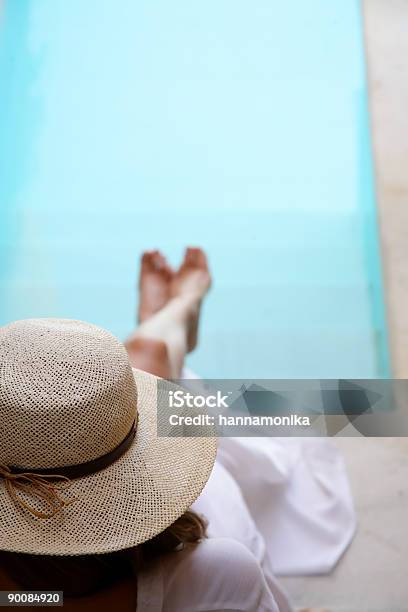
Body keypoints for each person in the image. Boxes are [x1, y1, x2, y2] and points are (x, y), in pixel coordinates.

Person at [0, 247, 355, 611]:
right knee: (160, 398)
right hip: (174, 537)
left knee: (123, 385)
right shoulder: (217, 575)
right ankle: (174, 314)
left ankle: (162, 323)